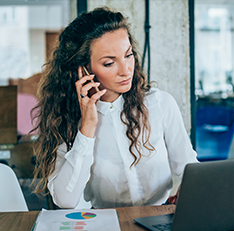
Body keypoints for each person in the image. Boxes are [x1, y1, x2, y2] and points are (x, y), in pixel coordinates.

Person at [32, 7, 198, 209]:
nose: (126, 70)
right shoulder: (67, 119)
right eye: (110, 63)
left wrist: (188, 188)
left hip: (158, 219)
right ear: (83, 69)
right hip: (105, 226)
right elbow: (65, 200)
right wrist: (88, 127)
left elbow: (189, 169)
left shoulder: (160, 104)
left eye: (128, 55)